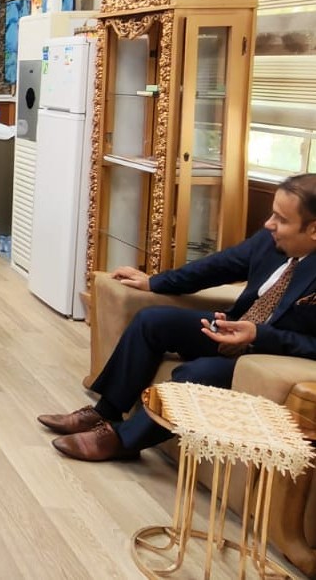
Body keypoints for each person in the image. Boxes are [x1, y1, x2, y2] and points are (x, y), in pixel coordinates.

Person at [38, 174, 316, 461]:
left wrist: (260, 335)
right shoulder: (271, 241)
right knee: (151, 321)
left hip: (269, 356)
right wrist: (154, 282)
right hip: (235, 329)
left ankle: (122, 441)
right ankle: (105, 413)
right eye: (272, 213)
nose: (269, 224)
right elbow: (216, 267)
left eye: (281, 219)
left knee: (197, 374)